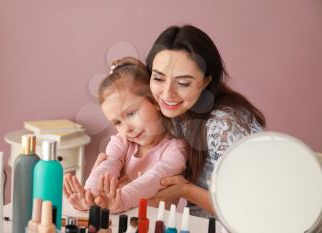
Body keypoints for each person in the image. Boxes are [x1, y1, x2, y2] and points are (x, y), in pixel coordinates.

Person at [144, 25, 266, 218]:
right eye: (159, 78)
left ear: (206, 82)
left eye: (183, 83)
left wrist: (185, 190)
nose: (167, 93)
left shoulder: (224, 125)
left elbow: (251, 206)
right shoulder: (171, 115)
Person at [63, 57, 186, 213]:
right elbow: (108, 166)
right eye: (117, 122)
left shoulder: (176, 149)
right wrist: (90, 195)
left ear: (155, 101)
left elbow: (155, 179)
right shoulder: (121, 142)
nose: (126, 129)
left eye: (131, 113)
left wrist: (121, 199)